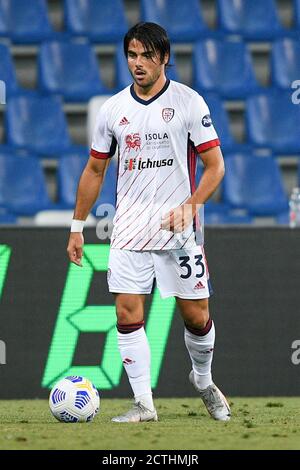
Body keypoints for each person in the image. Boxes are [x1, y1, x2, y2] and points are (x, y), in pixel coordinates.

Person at [67, 22, 230, 423]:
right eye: (132, 55)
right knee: (126, 312)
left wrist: (192, 206)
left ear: (164, 58)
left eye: (146, 56)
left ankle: (203, 380)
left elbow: (215, 167)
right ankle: (144, 404)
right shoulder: (113, 110)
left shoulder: (190, 102)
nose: (138, 64)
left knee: (196, 315)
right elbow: (93, 169)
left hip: (179, 229)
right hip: (128, 228)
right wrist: (76, 226)